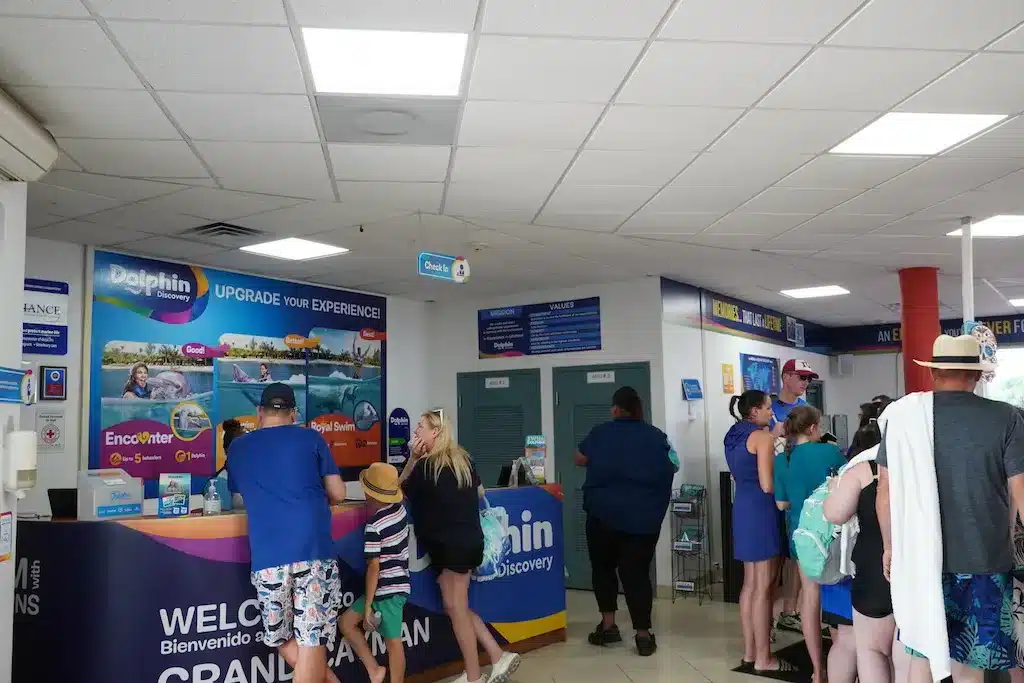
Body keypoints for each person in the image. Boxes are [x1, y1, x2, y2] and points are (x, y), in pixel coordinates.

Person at [877, 335, 1024, 683]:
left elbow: (885, 491)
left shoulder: (902, 417)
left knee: (920, 658)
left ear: (933, 373)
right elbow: (1021, 490)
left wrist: (889, 546)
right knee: (969, 668)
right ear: (976, 375)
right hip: (983, 559)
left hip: (918, 560)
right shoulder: (1007, 417)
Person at [227, 383, 347, 683]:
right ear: (293, 413)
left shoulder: (238, 447)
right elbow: (338, 492)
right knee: (311, 639)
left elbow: (240, 497)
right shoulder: (310, 438)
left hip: (268, 557)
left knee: (282, 639)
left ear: (259, 412)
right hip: (313, 551)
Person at [399, 410, 519, 683]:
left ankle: (479, 672)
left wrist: (413, 459)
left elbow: (395, 491)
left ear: (435, 434)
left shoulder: (425, 467)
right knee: (457, 607)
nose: (416, 432)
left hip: (448, 547)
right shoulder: (464, 460)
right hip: (468, 543)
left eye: (421, 427)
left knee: (457, 609)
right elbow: (479, 492)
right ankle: (494, 657)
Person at [575, 386, 678, 657]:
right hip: (643, 520)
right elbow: (673, 464)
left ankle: (608, 626)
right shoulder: (657, 436)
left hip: (602, 516)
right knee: (637, 574)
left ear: (615, 409)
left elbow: (579, 458)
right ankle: (643, 635)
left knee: (604, 569)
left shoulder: (600, 433)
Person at [774, 405, 847, 683]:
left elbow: (782, 503)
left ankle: (818, 670)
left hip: (803, 539)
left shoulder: (783, 459)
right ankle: (846, 664)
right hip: (833, 536)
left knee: (809, 599)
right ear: (814, 427)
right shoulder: (830, 452)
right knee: (838, 601)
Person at [723, 390, 792, 676]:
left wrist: (773, 435)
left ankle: (750, 652)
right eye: (766, 408)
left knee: (750, 586)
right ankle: (765, 658)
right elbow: (767, 484)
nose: (770, 411)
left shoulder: (733, 434)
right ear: (754, 411)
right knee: (763, 588)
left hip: (743, 507)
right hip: (762, 511)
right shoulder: (762, 438)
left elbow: (748, 469)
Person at [824, 417, 895, 683]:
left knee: (872, 652)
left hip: (873, 569)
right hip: (919, 567)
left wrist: (833, 491)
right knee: (910, 657)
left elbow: (834, 513)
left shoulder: (864, 469)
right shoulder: (925, 465)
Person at [340, 463, 409, 683]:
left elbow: (373, 568)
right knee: (346, 623)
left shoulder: (374, 526)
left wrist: (368, 606)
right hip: (394, 587)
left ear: (369, 493)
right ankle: (374, 670)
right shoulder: (400, 510)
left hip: (385, 593)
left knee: (393, 643)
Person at [770, 359, 819, 636]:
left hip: (798, 496)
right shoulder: (770, 411)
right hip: (774, 492)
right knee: (770, 564)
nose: (805, 383)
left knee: (795, 557)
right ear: (786, 377)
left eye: (808, 379)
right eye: (801, 377)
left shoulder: (804, 411)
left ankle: (791, 610)